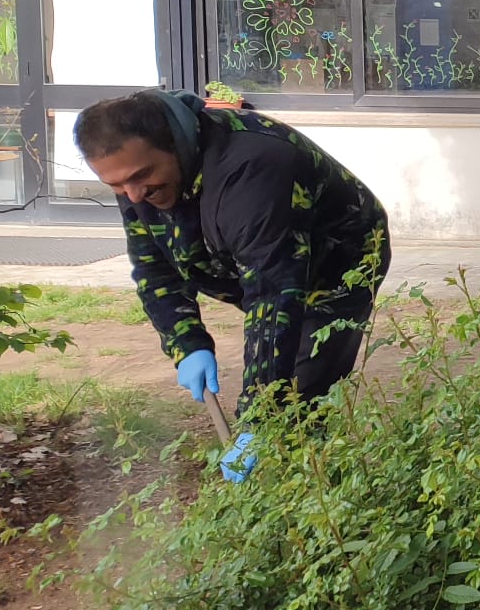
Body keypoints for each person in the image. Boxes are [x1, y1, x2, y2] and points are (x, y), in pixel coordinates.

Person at [74, 90, 391, 481]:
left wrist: (257, 416)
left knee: (300, 391)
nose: (134, 196)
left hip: (340, 261)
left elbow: (272, 295)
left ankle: (308, 490)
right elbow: (154, 267)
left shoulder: (253, 164)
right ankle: (279, 480)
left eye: (142, 178)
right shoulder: (135, 177)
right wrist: (186, 342)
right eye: (117, 186)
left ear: (175, 144)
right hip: (253, 261)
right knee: (279, 377)